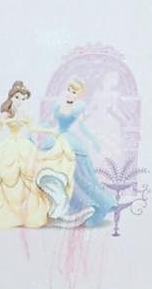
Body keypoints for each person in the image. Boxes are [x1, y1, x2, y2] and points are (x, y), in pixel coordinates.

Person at [0, 80, 85, 229]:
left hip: (23, 147)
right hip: (9, 147)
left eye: (22, 99)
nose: (19, 101)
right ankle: (9, 210)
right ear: (11, 97)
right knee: (7, 176)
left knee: (29, 175)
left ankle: (29, 209)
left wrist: (50, 131)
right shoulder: (6, 114)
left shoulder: (24, 114)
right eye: (17, 97)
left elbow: (33, 128)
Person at [43, 78, 116, 227]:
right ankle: (55, 207)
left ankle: (96, 206)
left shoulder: (78, 108)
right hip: (55, 138)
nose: (70, 93)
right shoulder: (58, 105)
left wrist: (93, 140)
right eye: (69, 90)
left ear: (79, 95)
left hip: (68, 140)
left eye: (74, 91)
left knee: (78, 176)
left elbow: (82, 127)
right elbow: (50, 122)